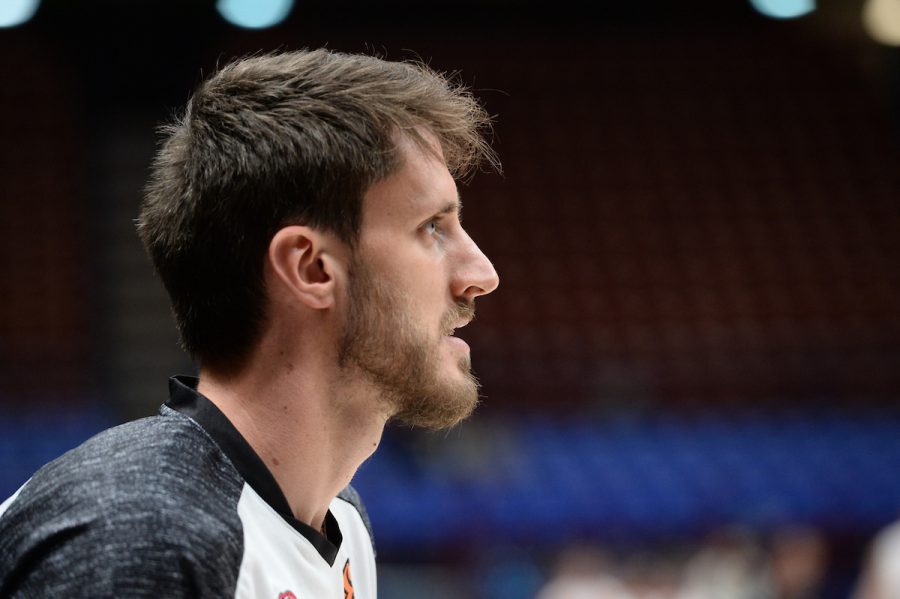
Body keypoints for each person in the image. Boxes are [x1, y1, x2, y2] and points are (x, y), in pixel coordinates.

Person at [0, 49, 500, 597]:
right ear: (310, 268)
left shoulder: (341, 521)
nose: (482, 274)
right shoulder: (139, 540)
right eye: (432, 227)